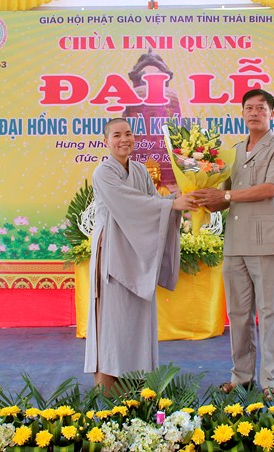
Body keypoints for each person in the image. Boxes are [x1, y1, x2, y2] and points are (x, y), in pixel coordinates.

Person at [192, 89, 274, 398]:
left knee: (268, 314)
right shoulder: (235, 152)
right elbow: (224, 198)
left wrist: (224, 195)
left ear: (271, 114)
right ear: (242, 114)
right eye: (249, 108)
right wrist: (200, 196)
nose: (254, 113)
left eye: (261, 108)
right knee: (237, 314)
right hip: (235, 243)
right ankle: (241, 377)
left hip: (266, 242)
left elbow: (269, 188)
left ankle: (270, 382)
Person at [83, 118, 195, 394]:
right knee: (113, 319)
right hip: (113, 251)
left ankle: (137, 381)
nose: (124, 139)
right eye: (116, 135)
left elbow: (151, 206)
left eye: (128, 134)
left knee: (138, 318)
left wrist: (175, 202)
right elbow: (131, 205)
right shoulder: (103, 173)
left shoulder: (140, 170)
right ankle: (108, 384)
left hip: (138, 251)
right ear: (106, 142)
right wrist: (171, 205)